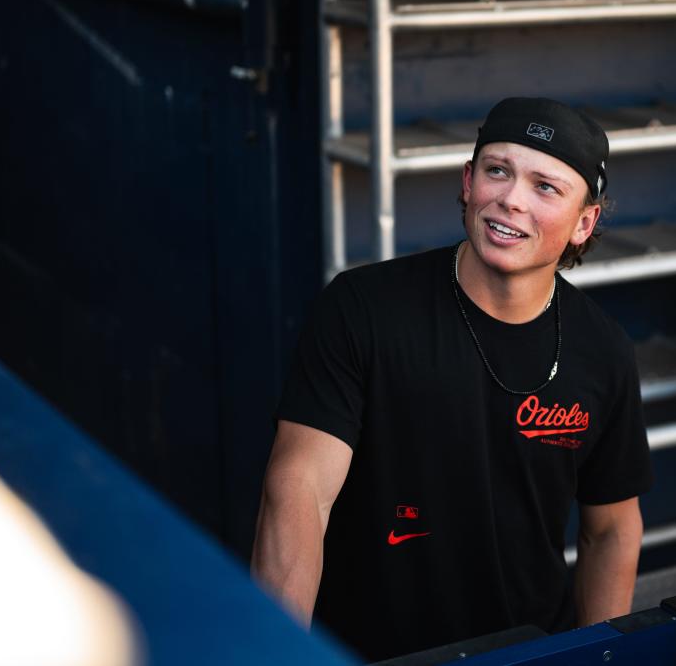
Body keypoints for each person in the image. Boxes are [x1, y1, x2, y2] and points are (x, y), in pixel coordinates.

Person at [251, 97, 653, 662]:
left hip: (526, 649)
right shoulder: (362, 309)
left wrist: (592, 657)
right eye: (497, 171)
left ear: (585, 222)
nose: (510, 199)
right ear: (468, 183)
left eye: (545, 187)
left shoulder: (603, 350)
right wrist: (277, 653)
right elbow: (298, 490)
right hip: (372, 651)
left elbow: (611, 529)